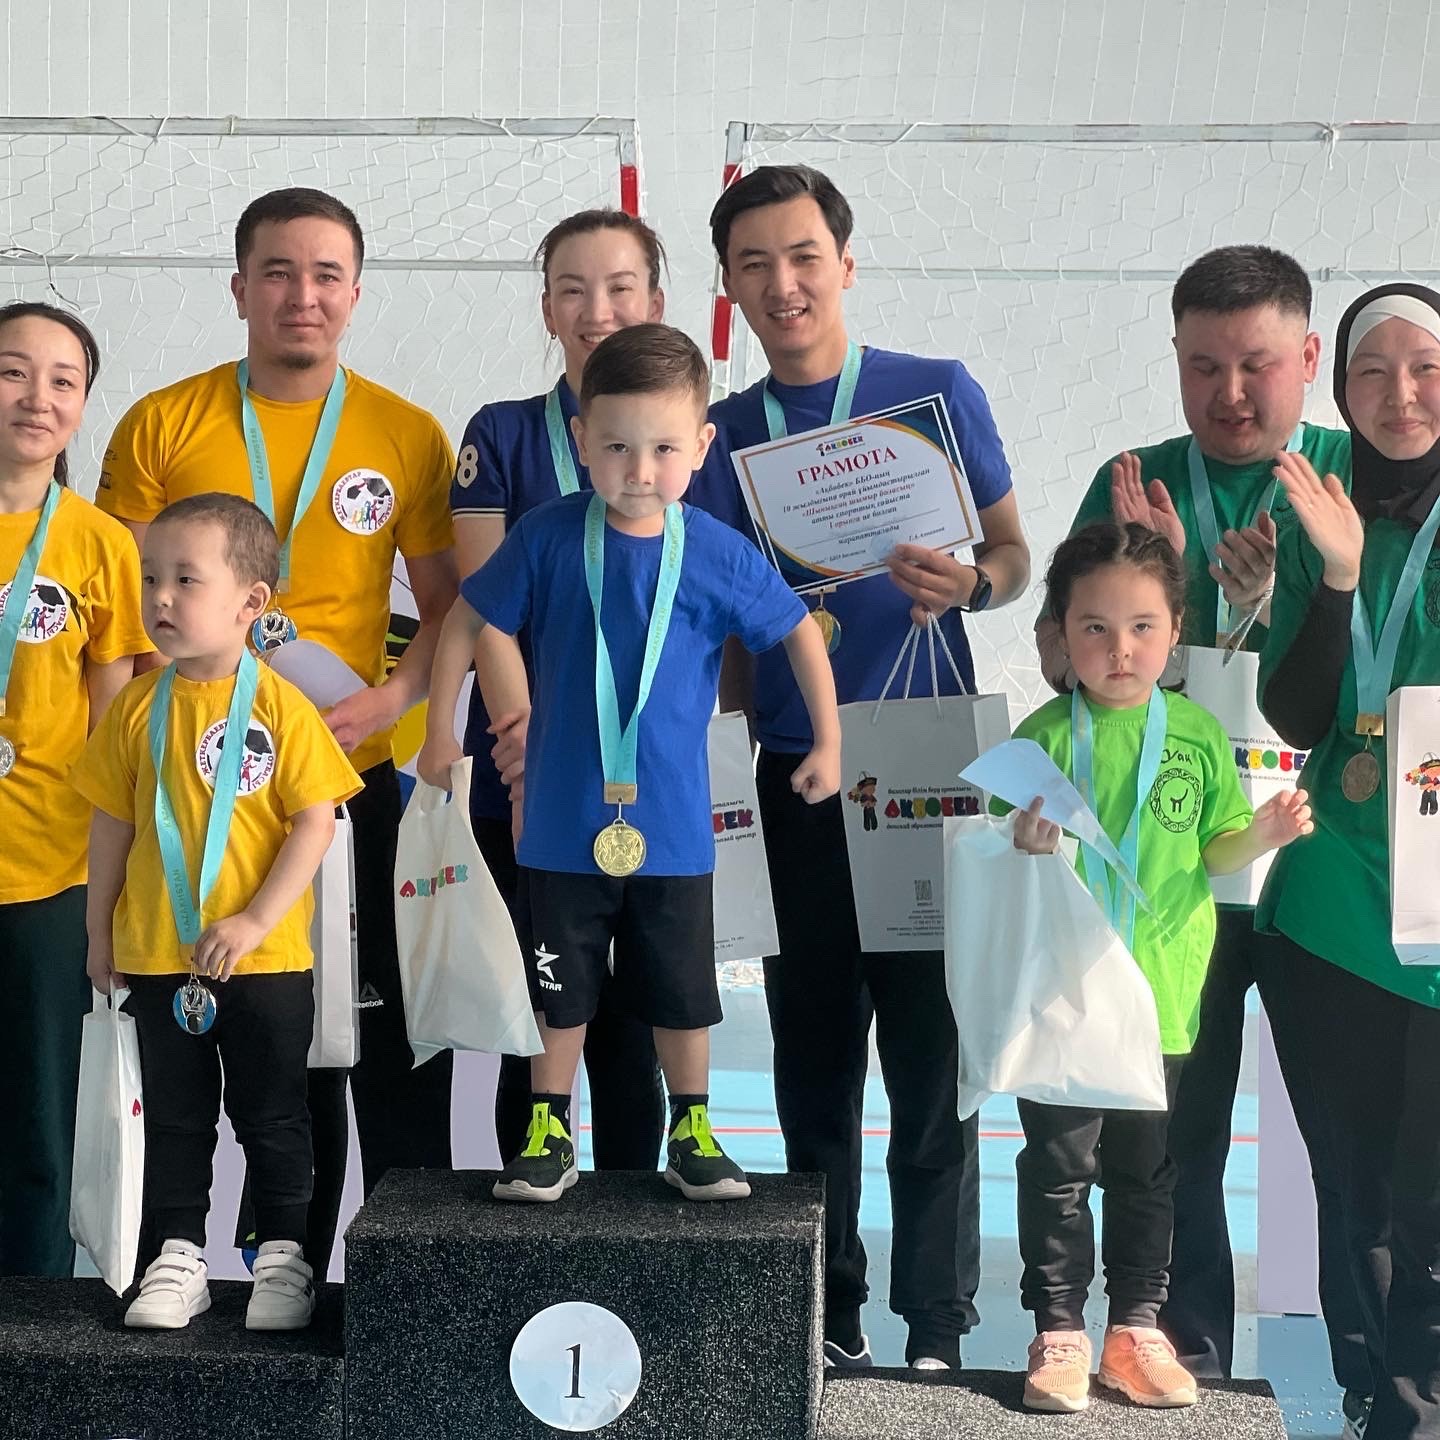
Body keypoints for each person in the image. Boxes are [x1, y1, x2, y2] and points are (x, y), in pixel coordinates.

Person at [692, 163, 1030, 1370]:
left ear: (844, 261)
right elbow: (729, 637)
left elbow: (1014, 556)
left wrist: (973, 584)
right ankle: (826, 1312)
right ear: (729, 286)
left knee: (934, 1065)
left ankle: (936, 1323)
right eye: (754, 263)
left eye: (802, 256)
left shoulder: (933, 393)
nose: (782, 283)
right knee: (815, 1062)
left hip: (933, 776)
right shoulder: (723, 436)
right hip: (799, 780)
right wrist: (725, 763)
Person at [97, 187, 459, 1279]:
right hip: (205, 794)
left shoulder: (405, 431)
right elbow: (124, 613)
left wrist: (392, 704)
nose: (303, 294)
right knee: (265, 1037)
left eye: (326, 274)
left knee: (386, 1036)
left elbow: (446, 611)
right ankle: (273, 1257)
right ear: (239, 286)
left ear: (356, 293)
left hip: (353, 775)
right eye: (278, 272)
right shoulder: (162, 423)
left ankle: (405, 1272)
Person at [1035, 246, 1367, 1409]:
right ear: (1175, 360)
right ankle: (1186, 1358)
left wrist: (1278, 603)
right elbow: (1064, 657)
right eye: (1203, 365)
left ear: (1309, 359)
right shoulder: (1131, 483)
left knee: (1347, 1143)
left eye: (1257, 364)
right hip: (1177, 883)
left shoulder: (1351, 475)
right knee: (1178, 1133)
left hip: (1325, 862)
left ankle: (1372, 1376)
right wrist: (1172, 593)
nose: (1230, 392)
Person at [420, 322, 839, 1203]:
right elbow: (464, 621)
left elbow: (799, 631)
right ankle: (548, 1132)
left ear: (702, 447)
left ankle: (693, 1129)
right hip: (559, 827)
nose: (639, 469)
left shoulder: (714, 550)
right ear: (581, 440)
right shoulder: (545, 536)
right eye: (615, 446)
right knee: (558, 991)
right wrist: (439, 733)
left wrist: (828, 741)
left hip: (676, 830)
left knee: (681, 991)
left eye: (663, 449)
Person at [1003, 521, 1312, 1412]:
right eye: (1095, 627)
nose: (1120, 649)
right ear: (1060, 633)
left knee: (1149, 1173)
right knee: (1059, 1170)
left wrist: (1263, 834)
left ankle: (1135, 1330)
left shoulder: (1199, 736)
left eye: (1142, 626)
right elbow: (995, 861)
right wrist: (1022, 844)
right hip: (1061, 997)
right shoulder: (1039, 740)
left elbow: (1214, 853)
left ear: (1176, 630)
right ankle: (1059, 1331)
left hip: (1161, 997)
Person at [72, 494, 361, 1330]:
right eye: (150, 579)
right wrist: (98, 930)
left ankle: (285, 1258)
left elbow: (315, 824)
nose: (160, 598)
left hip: (265, 965)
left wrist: (255, 922)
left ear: (251, 602)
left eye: (185, 580)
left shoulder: (280, 707)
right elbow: (112, 824)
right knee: (174, 1119)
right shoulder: (135, 708)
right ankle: (176, 1256)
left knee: (274, 1116)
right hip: (158, 955)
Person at [449, 208, 666, 1171]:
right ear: (546, 309)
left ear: (655, 302)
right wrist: (524, 741)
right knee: (535, 1008)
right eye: (572, 290)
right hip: (521, 770)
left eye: (619, 287)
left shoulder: (681, 439)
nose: (596, 310)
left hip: (644, 779)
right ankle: (529, 1218)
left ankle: (632, 1223)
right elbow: (483, 605)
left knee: (634, 1021)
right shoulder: (500, 434)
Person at [1259, 283, 1440, 1440]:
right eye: (1371, 371)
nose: (1400, 393)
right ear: (1340, 389)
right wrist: (1334, 577)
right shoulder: (1320, 517)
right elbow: (1297, 714)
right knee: (1352, 1186)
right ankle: (1375, 1392)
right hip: (1334, 905)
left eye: (1424, 367)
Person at [0, 302, 149, 1278]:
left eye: (64, 380)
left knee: (38, 1127)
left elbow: (111, 734)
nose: (37, 397)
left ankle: (28, 1330)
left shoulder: (99, 544)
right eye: (13, 371)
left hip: (48, 873)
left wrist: (108, 892)